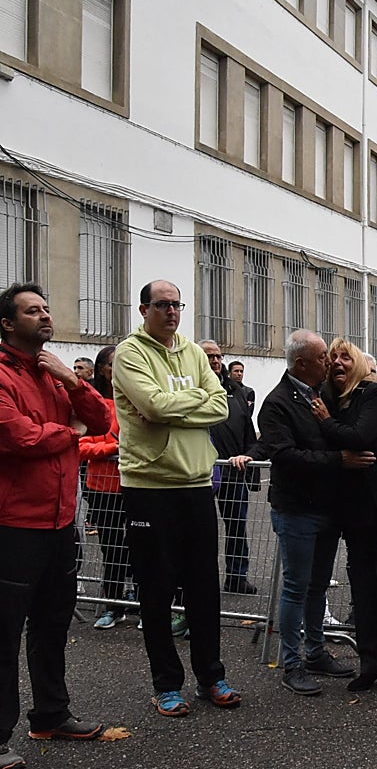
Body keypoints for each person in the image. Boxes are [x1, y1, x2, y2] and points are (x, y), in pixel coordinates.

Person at [113, 279, 241, 717]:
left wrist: (173, 404)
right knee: (157, 590)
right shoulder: (130, 353)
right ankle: (166, 684)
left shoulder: (190, 351)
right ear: (144, 309)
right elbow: (151, 407)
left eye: (177, 305)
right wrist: (188, 402)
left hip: (196, 484)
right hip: (150, 486)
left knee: (205, 588)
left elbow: (222, 405)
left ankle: (212, 677)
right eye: (163, 305)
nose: (172, 312)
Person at [0, 283, 109, 769]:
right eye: (32, 311)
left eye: (46, 307)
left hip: (61, 521)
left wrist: (73, 381)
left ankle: (51, 715)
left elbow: (104, 418)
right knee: (4, 634)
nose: (45, 315)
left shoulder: (52, 370)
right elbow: (18, 437)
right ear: (7, 323)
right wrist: (71, 434)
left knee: (52, 626)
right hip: (13, 525)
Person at [231, 331, 358, 696]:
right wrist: (339, 461)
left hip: (327, 509)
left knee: (317, 587)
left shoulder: (325, 395)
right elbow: (284, 455)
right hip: (297, 510)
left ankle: (315, 651)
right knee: (295, 588)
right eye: (322, 357)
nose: (330, 362)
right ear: (301, 363)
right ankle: (292, 663)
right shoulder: (277, 403)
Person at [310, 338, 377, 695]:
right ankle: (370, 663)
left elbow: (357, 436)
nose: (338, 362)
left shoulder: (372, 394)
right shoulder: (326, 398)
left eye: (346, 357)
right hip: (354, 510)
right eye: (333, 358)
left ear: (357, 364)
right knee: (364, 588)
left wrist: (326, 422)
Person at [79, 345, 134, 630]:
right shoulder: (93, 403)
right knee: (111, 549)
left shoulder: (136, 399)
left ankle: (139, 601)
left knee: (140, 547)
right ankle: (114, 605)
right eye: (115, 365)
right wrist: (115, 447)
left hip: (136, 485)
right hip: (102, 490)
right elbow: (81, 446)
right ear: (103, 369)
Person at [199, 340, 258, 595]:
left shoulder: (238, 392)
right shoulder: (191, 387)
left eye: (218, 356)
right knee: (201, 529)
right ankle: (202, 577)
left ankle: (236, 576)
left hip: (233, 471)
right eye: (209, 356)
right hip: (200, 472)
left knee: (236, 525)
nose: (215, 361)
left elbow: (248, 433)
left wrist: (251, 471)